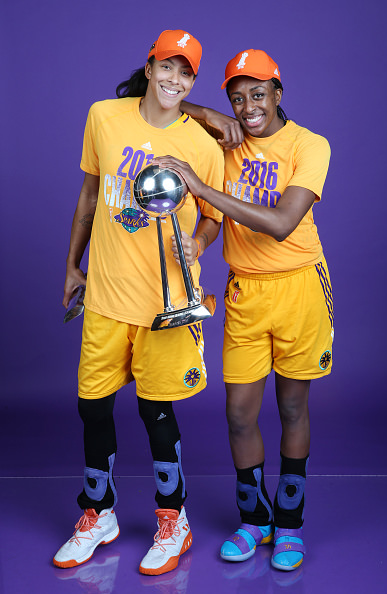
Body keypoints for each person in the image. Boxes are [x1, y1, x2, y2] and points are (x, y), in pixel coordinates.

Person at [154, 48, 334, 572]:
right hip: (245, 291)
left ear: (278, 92)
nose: (249, 106)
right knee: (238, 415)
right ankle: (255, 519)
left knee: (293, 409)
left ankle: (291, 524)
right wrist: (211, 115)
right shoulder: (227, 140)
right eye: (238, 97)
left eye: (258, 93)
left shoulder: (309, 144)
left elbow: (280, 223)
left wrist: (203, 187)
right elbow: (170, 104)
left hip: (301, 287)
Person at [53, 29, 225, 576]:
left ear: (192, 81)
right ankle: (98, 514)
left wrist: (190, 250)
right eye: (167, 67)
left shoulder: (201, 143)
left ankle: (173, 521)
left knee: (156, 410)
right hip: (105, 295)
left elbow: (214, 217)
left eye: (186, 72)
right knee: (93, 406)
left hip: (164, 302)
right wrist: (72, 264)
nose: (175, 79)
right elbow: (88, 193)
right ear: (149, 67)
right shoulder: (104, 115)